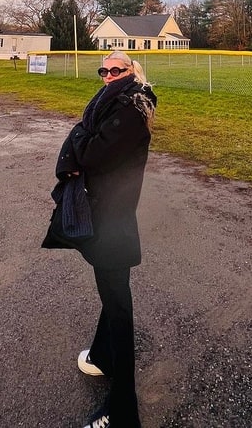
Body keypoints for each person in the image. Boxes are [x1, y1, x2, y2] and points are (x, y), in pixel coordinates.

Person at [42, 50, 157, 428]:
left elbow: (90, 154)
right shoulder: (114, 103)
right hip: (108, 213)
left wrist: (78, 133)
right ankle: (102, 358)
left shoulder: (128, 111)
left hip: (112, 218)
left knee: (118, 305)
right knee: (112, 292)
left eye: (116, 70)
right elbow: (88, 143)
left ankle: (123, 409)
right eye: (103, 70)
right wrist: (83, 133)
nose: (107, 75)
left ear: (131, 71)